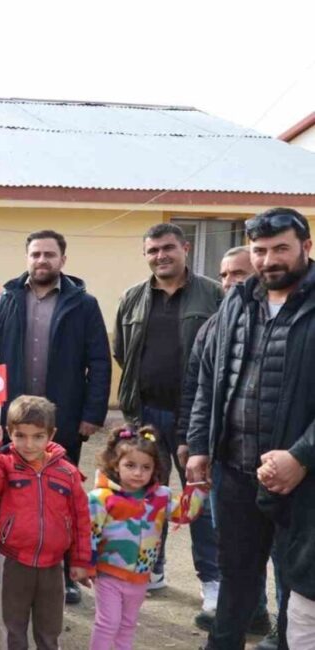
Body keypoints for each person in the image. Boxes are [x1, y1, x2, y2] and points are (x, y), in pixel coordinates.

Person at [186, 208, 315, 650]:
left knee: (294, 584)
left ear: (307, 247)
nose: (268, 260)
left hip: (303, 482)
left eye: (281, 248)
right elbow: (210, 378)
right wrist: (201, 444)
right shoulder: (237, 302)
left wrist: (302, 456)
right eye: (259, 250)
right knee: (236, 574)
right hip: (234, 471)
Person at [0, 229, 112, 603]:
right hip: (15, 419)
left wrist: (92, 413)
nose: (42, 261)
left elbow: (99, 361)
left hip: (64, 417)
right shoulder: (6, 299)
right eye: (35, 254)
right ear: (27, 258)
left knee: (62, 494)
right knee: (9, 491)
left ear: (63, 260)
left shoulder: (83, 304)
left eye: (49, 255)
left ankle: (65, 570)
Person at [113, 223, 222, 603]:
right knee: (146, 495)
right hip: (145, 415)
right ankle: (151, 567)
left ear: (185, 248)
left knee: (199, 499)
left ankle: (211, 581)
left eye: (168, 248)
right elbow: (122, 352)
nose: (161, 255)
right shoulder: (132, 297)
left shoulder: (213, 294)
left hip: (195, 417)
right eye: (153, 250)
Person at [176, 246, 274, 639]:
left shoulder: (287, 321)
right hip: (227, 461)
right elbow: (197, 389)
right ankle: (251, 618)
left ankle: (282, 631)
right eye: (223, 274)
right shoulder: (215, 325)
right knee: (236, 554)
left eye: (238, 273)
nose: (229, 281)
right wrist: (193, 442)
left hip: (280, 466)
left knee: (284, 559)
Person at [0, 395, 92, 650]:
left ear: (51, 434)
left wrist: (80, 561)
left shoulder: (67, 472)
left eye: (37, 436)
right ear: (9, 432)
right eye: (20, 435)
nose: (28, 443)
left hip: (52, 564)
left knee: (49, 629)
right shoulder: (3, 464)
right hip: (13, 562)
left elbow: (81, 519)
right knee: (13, 628)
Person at [88, 425, 206, 650]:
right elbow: (89, 533)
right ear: (115, 464)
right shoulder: (101, 498)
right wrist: (85, 564)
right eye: (130, 465)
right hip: (108, 574)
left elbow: (184, 513)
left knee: (128, 624)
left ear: (154, 469)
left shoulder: (160, 497)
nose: (138, 473)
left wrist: (198, 486)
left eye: (145, 467)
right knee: (107, 623)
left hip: (141, 576)